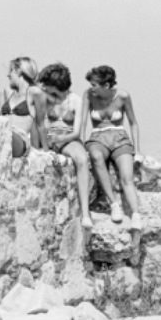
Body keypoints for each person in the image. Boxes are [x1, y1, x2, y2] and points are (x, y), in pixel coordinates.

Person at [30, 62, 93, 229]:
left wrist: (60, 138)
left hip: (67, 138)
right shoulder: (44, 99)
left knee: (81, 159)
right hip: (47, 137)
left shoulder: (75, 100)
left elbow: (76, 132)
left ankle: (86, 213)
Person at [81, 65, 142, 230]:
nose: (91, 88)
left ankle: (136, 215)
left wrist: (137, 151)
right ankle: (113, 203)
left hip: (120, 138)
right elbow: (83, 122)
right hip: (98, 137)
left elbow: (133, 123)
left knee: (127, 177)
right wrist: (80, 142)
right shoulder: (88, 95)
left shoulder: (123, 96)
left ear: (106, 85)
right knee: (96, 157)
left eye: (95, 84)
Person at [1, 56, 40, 158]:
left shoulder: (33, 93)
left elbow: (37, 125)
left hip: (20, 139)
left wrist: (39, 152)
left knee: (7, 134)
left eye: (11, 71)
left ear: (19, 71)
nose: (8, 75)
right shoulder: (8, 92)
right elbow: (0, 119)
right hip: (4, 132)